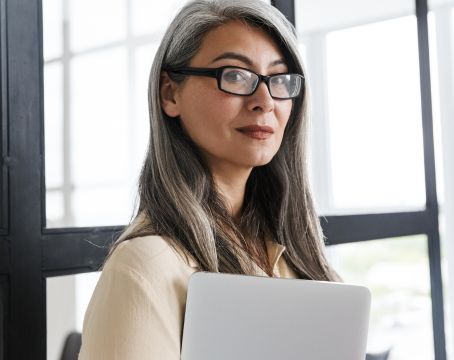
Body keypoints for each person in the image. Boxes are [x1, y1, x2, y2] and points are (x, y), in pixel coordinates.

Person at [78, 0, 341, 358]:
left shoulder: (291, 252)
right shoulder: (145, 267)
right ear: (170, 93)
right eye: (234, 75)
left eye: (278, 79)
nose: (264, 100)